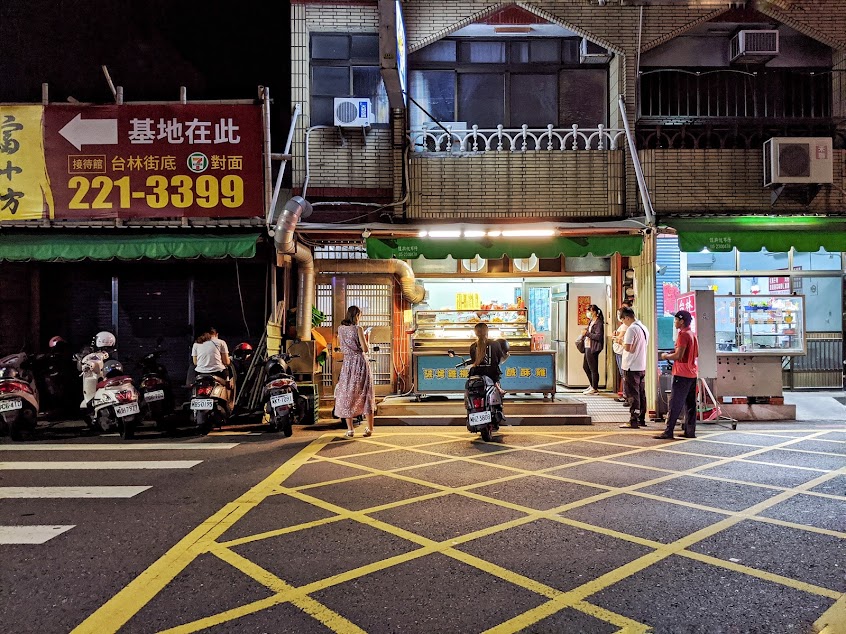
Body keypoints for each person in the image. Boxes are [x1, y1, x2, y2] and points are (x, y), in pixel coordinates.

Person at [655, 310, 700, 439]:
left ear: (681, 321)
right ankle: (690, 431)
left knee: (675, 404)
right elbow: (696, 354)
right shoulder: (692, 334)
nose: (674, 322)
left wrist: (665, 356)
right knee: (690, 404)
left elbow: (678, 355)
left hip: (681, 374)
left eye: (675, 320)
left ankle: (669, 431)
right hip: (692, 373)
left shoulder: (683, 335)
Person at [335, 305, 375, 438]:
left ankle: (350, 430)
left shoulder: (340, 329)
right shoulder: (358, 329)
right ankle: (369, 429)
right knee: (366, 393)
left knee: (348, 394)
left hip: (347, 364)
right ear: (357, 316)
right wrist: (366, 337)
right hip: (360, 364)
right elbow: (365, 349)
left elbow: (342, 347)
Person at [618, 306, 649, 429]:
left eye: (622, 320)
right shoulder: (644, 328)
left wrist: (619, 341)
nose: (623, 323)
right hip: (641, 365)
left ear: (626, 318)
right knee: (641, 393)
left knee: (632, 394)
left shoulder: (631, 329)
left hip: (631, 366)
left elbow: (628, 348)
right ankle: (641, 418)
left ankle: (633, 420)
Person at [469, 322, 508, 396]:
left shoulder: (473, 346)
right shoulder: (495, 344)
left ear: (475, 333)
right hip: (492, 372)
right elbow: (499, 358)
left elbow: (473, 360)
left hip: (476, 372)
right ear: (487, 331)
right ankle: (499, 389)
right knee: (495, 370)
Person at [611, 300, 633, 403]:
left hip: (621, 352)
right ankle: (626, 395)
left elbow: (621, 340)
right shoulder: (626, 324)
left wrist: (617, 338)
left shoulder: (627, 325)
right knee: (623, 374)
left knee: (624, 374)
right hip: (620, 351)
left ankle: (626, 396)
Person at [580, 304, 605, 395]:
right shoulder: (591, 321)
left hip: (593, 347)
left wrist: (587, 333)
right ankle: (592, 385)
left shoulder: (598, 322)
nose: (588, 313)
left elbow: (598, 336)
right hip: (587, 345)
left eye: (589, 311)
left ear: (594, 312)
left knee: (593, 368)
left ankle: (595, 388)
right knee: (585, 367)